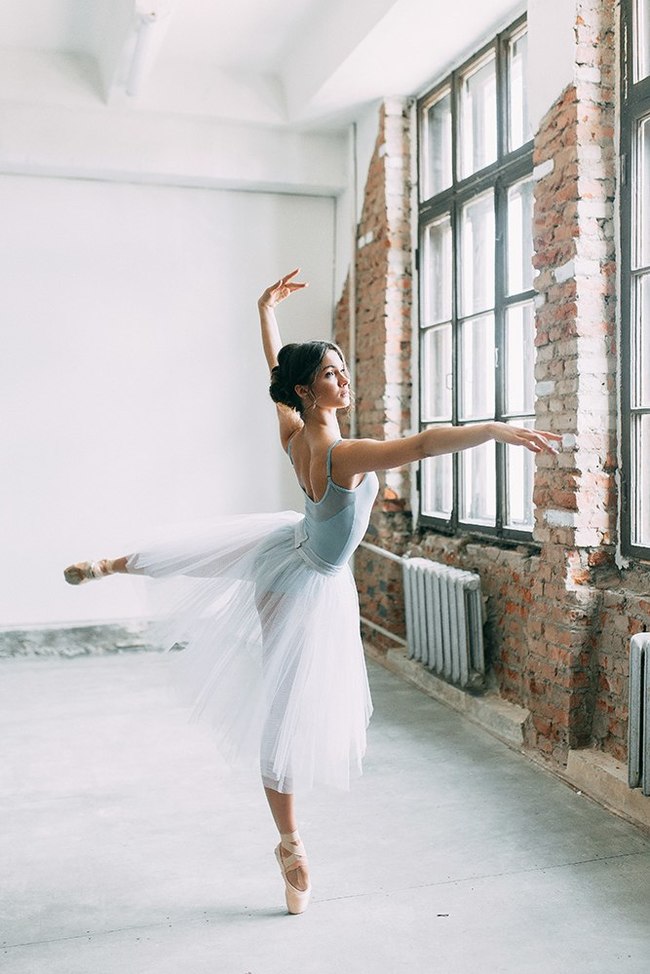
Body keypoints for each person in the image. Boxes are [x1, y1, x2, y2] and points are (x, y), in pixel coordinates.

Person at [64, 268, 561, 915]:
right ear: (309, 389)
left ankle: (113, 563)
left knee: (214, 557)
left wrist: (264, 309)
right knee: (287, 714)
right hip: (308, 586)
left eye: (342, 368)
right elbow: (419, 444)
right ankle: (291, 847)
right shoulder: (341, 452)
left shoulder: (296, 431)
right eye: (331, 373)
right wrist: (493, 431)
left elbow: (274, 369)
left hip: (290, 555)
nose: (343, 378)